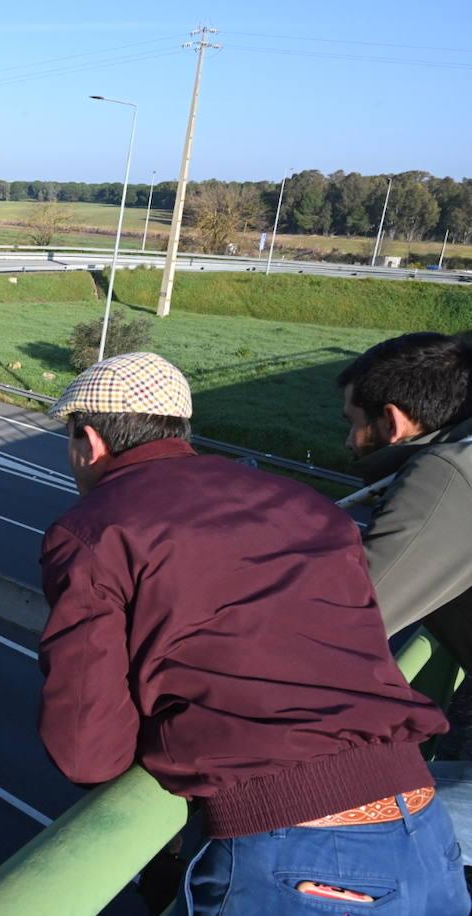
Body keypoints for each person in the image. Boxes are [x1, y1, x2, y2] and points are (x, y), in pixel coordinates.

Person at [37, 351, 463, 914]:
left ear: (89, 442)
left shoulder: (94, 530)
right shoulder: (307, 505)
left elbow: (85, 751)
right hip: (424, 823)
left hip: (297, 848)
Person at [336, 334, 472, 666]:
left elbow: (345, 616)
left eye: (353, 423)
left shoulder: (445, 476)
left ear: (392, 420)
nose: (348, 442)